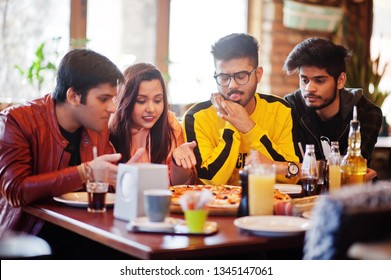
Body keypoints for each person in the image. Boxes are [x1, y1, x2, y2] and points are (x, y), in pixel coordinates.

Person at [0, 49, 143, 251]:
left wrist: (123, 178)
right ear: (74, 96)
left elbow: (105, 191)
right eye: (103, 99)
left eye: (113, 98)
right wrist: (85, 172)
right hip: (28, 236)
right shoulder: (17, 121)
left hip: (84, 229)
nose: (112, 108)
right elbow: (15, 191)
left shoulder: (97, 127)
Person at [182, 33, 299, 186]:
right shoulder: (196, 117)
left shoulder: (280, 109)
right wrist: (232, 122)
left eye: (241, 76)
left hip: (268, 205)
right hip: (217, 207)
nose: (232, 85)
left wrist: (249, 127)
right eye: (224, 77)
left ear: (258, 75)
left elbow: (291, 175)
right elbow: (211, 179)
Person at [283, 37, 382, 180]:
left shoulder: (365, 113)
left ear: (340, 80)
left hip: (348, 197)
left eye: (319, 80)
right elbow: (281, 162)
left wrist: (301, 167)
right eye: (304, 80)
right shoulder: (290, 107)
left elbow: (352, 171)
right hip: (303, 195)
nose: (309, 89)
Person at [109, 63, 197, 185]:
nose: (151, 109)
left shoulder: (169, 123)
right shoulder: (107, 128)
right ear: (125, 100)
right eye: (141, 101)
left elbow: (177, 186)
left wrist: (179, 163)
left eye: (157, 100)